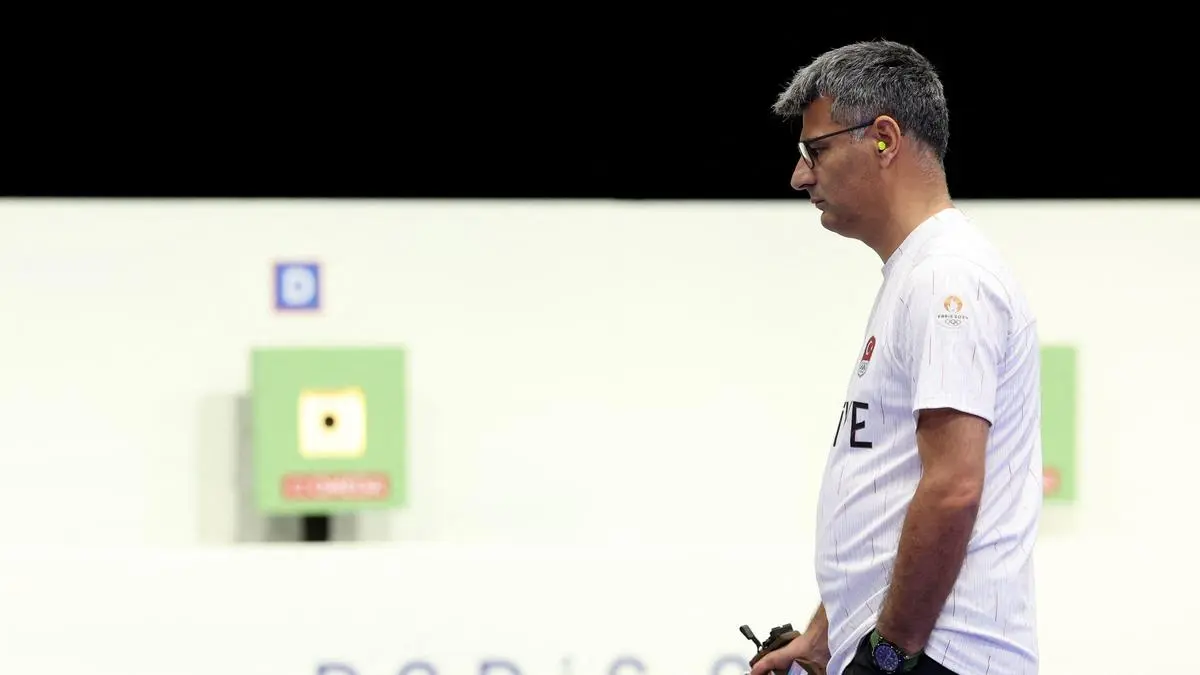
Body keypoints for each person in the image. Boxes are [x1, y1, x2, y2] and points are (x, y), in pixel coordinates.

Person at [749, 41, 1042, 675]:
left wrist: (888, 654)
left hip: (940, 656)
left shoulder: (947, 276)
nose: (800, 176)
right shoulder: (919, 273)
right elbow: (896, 487)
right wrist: (828, 632)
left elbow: (953, 487)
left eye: (815, 150)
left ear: (884, 139)